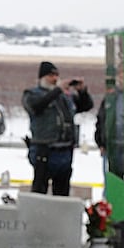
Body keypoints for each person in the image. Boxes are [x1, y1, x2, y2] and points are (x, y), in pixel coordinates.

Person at [23, 60, 77, 194]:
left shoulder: (62, 96)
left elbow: (84, 106)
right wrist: (58, 90)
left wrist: (82, 91)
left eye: (57, 76)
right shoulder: (31, 94)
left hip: (64, 151)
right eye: (51, 76)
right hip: (44, 150)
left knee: (62, 193)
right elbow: (37, 106)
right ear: (42, 77)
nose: (55, 79)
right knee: (39, 191)